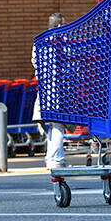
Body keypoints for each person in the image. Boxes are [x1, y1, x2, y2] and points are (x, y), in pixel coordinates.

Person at [31, 13, 66, 169]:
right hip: (59, 90)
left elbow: (34, 63)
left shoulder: (39, 43)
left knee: (53, 124)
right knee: (58, 124)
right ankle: (55, 159)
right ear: (59, 26)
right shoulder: (63, 43)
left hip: (45, 90)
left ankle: (51, 157)